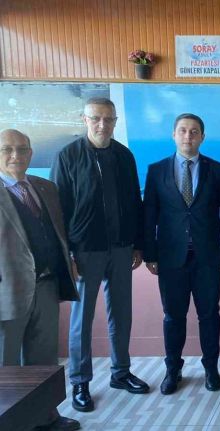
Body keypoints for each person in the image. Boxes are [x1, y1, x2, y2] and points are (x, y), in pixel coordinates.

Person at [51, 97, 148, 412]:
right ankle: (80, 381)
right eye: (96, 118)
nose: (102, 125)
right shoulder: (67, 156)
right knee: (82, 319)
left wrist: (137, 244)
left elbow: (134, 202)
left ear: (115, 121)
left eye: (108, 119)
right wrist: (67, 254)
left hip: (121, 248)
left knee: (121, 313)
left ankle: (121, 372)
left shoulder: (124, 156)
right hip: (85, 250)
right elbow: (58, 209)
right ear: (85, 120)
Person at [143, 113, 220, 394]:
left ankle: (211, 368)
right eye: (183, 130)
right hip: (170, 258)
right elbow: (149, 215)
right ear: (173, 135)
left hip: (208, 256)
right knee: (173, 316)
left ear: (202, 137)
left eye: (194, 131)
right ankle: (173, 370)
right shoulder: (156, 170)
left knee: (209, 315)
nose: (188, 136)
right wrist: (150, 253)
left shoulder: (217, 170)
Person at [0, 129, 80, 431]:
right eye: (7, 149)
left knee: (44, 359)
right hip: (7, 292)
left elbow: (58, 234)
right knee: (6, 365)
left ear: (31, 153)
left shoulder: (46, 188)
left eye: (22, 149)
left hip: (46, 285)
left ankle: (45, 417)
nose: (15, 156)